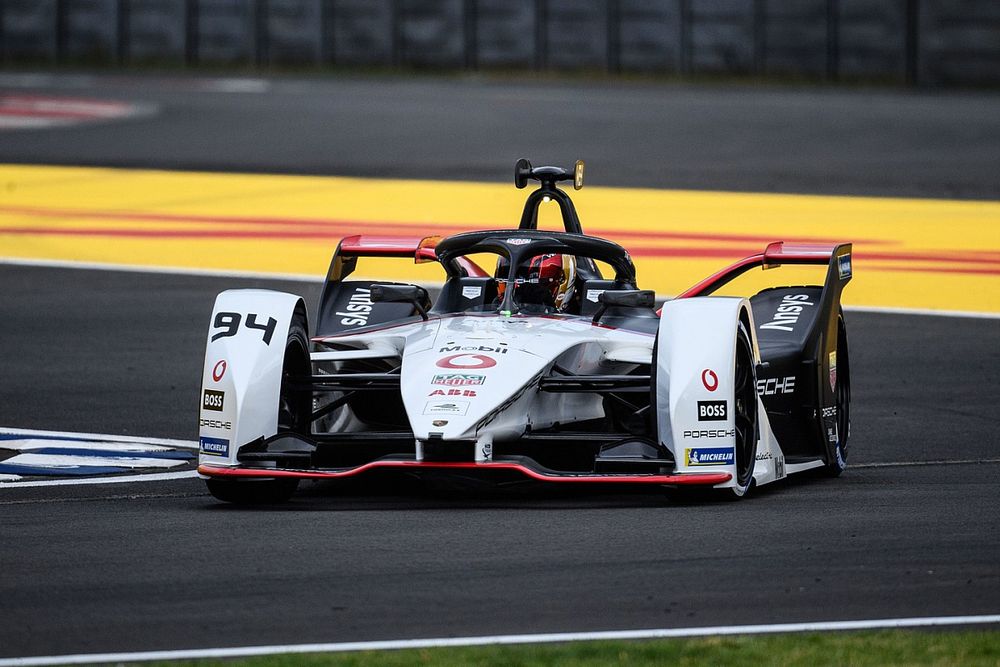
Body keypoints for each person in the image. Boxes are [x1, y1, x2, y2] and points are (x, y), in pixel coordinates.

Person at [495, 253, 577, 312]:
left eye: (533, 286)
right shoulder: (490, 308)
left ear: (562, 281)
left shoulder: (583, 322)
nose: (520, 292)